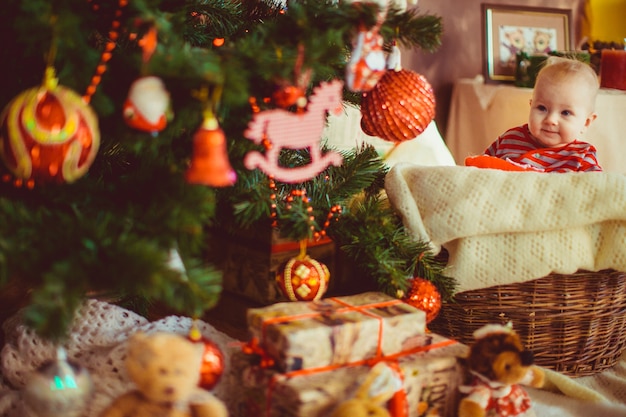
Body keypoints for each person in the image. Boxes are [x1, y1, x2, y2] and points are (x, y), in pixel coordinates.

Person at [467, 56, 602, 172]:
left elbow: (597, 192)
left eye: (565, 113)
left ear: (586, 122)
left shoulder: (582, 156)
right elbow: (478, 173)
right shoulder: (509, 140)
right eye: (542, 108)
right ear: (531, 105)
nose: (551, 120)